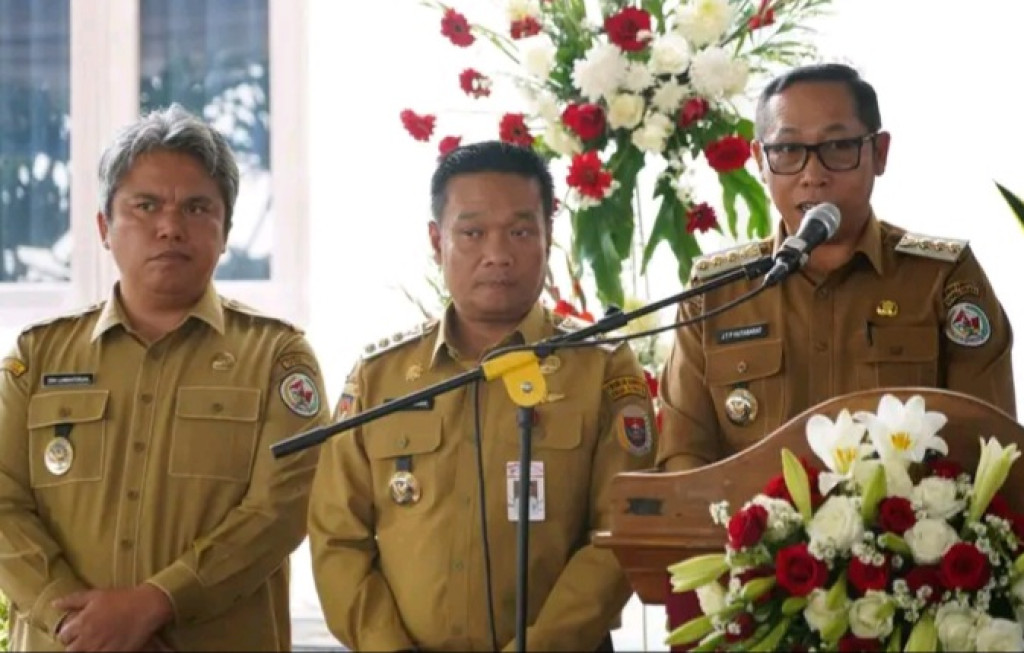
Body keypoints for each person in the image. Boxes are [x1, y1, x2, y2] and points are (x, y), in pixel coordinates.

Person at [0, 104, 329, 651]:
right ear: (104, 227)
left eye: (197, 207)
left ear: (225, 231)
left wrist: (156, 603)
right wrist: (75, 623)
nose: (170, 227)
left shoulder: (277, 357)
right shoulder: (38, 359)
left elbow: (281, 510)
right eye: (145, 205)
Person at [308, 141, 657, 651]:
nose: (497, 254)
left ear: (548, 237)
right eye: (472, 233)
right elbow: (338, 538)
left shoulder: (601, 368)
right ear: (436, 240)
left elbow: (620, 532)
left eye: (520, 231)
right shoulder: (379, 378)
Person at [657, 63, 1016, 474]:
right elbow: (683, 459)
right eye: (788, 150)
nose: (813, 175)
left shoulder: (942, 278)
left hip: (908, 533)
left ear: (879, 153)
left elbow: (991, 448)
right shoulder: (715, 293)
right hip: (744, 535)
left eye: (839, 147)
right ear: (760, 160)